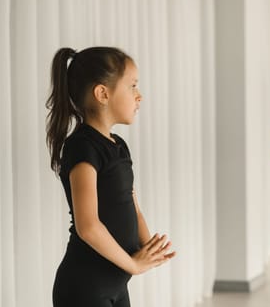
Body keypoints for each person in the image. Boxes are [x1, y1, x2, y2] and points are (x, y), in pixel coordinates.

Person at [46, 47, 175, 307]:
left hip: (115, 284)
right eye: (132, 86)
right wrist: (134, 265)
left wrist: (149, 248)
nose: (139, 96)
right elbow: (88, 226)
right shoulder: (83, 147)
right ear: (103, 93)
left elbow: (133, 208)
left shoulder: (118, 146)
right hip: (85, 287)